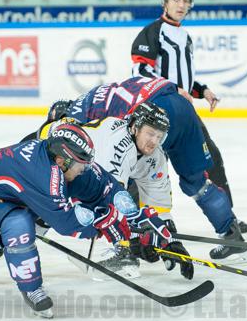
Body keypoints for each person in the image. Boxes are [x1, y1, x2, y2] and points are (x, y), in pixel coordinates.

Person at [0, 123, 185, 318]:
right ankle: (32, 289)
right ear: (62, 160)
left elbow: (105, 186)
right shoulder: (42, 174)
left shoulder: (62, 162)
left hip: (1, 195)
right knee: (16, 226)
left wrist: (135, 218)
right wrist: (106, 224)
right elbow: (65, 222)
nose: (84, 168)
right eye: (80, 164)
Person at [47, 76, 247, 263]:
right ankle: (231, 235)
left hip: (152, 112)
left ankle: (129, 248)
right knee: (196, 182)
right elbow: (165, 85)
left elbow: (64, 148)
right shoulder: (99, 94)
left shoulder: (74, 116)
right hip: (179, 105)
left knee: (126, 179)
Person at [130, 0, 247, 235]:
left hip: (183, 111)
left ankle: (229, 220)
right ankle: (134, 228)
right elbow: (140, 72)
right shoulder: (153, 32)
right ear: (165, 1)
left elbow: (181, 78)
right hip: (158, 111)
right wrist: (173, 88)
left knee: (212, 160)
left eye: (186, 0)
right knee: (139, 166)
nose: (181, 4)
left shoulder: (184, 35)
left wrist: (202, 90)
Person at [38, 102, 193, 278]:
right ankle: (26, 228)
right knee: (54, 198)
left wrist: (170, 241)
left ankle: (124, 248)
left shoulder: (155, 157)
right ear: (135, 127)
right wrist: (131, 238)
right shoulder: (119, 143)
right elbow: (109, 199)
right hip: (57, 156)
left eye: (160, 136)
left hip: (86, 169)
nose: (154, 142)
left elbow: (158, 205)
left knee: (122, 203)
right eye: (150, 134)